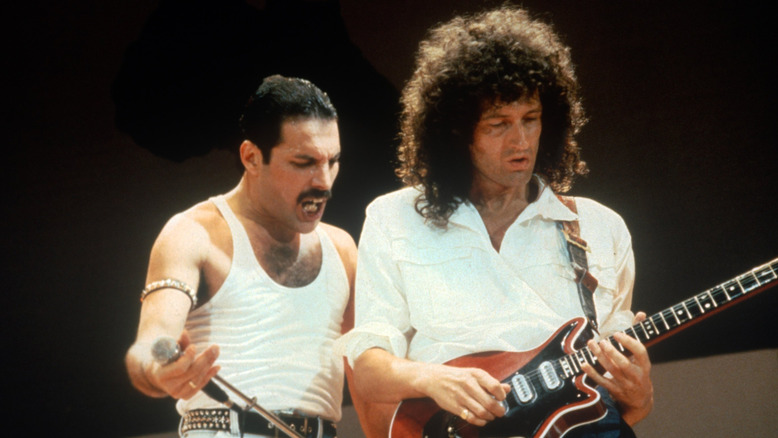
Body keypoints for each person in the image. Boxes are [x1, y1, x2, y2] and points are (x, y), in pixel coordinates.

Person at [341, 6, 653, 438]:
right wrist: (433, 378)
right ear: (456, 132)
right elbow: (368, 370)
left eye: (530, 119)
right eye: (498, 124)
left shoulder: (602, 227)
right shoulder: (394, 217)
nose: (520, 141)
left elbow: (616, 393)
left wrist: (639, 395)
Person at [125, 75, 358, 438]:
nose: (324, 181)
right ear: (251, 157)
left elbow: (368, 373)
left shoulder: (341, 249)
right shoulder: (193, 234)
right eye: (304, 162)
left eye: (333, 161)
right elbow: (149, 344)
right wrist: (158, 369)